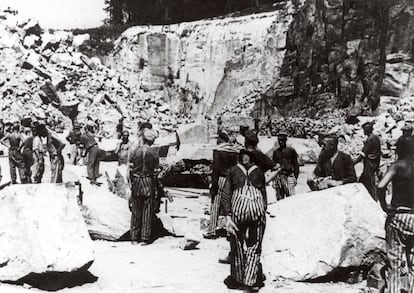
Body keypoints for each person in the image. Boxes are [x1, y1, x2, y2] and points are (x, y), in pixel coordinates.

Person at [222, 150, 267, 292]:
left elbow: (226, 193)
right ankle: (250, 280)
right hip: (256, 210)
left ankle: (238, 277)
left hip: (238, 209)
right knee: (255, 244)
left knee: (237, 243)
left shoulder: (232, 171)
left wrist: (227, 215)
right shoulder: (259, 172)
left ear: (239, 159)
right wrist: (262, 212)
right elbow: (264, 194)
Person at [377, 137, 414, 293]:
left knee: (395, 261)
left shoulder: (397, 166)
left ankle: (393, 290)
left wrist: (385, 206)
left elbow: (381, 185)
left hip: (400, 215)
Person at [204, 135, 241, 239]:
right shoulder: (235, 151)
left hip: (221, 179)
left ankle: (211, 230)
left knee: (216, 203)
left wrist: (213, 185)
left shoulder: (218, 150)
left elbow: (216, 169)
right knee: (231, 205)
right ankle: (231, 232)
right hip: (232, 179)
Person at [127, 128, 159, 245]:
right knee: (147, 209)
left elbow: (130, 169)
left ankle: (134, 237)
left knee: (136, 209)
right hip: (147, 180)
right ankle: (145, 238)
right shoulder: (154, 153)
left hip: (136, 180)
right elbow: (156, 172)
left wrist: (131, 182)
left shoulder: (135, 151)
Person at [354, 121, 381, 200]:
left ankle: (374, 199)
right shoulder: (375, 138)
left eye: (364, 130)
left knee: (370, 182)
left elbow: (363, 154)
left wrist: (353, 163)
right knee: (364, 181)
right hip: (375, 162)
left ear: (367, 130)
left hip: (370, 164)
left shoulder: (370, 139)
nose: (363, 131)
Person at [272, 133, 299, 200]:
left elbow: (296, 165)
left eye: (282, 140)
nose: (281, 142)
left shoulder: (291, 150)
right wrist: (274, 180)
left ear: (285, 141)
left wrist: (295, 177)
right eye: (279, 140)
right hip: (279, 177)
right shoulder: (276, 152)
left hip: (289, 175)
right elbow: (273, 166)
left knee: (291, 197)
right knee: (279, 198)